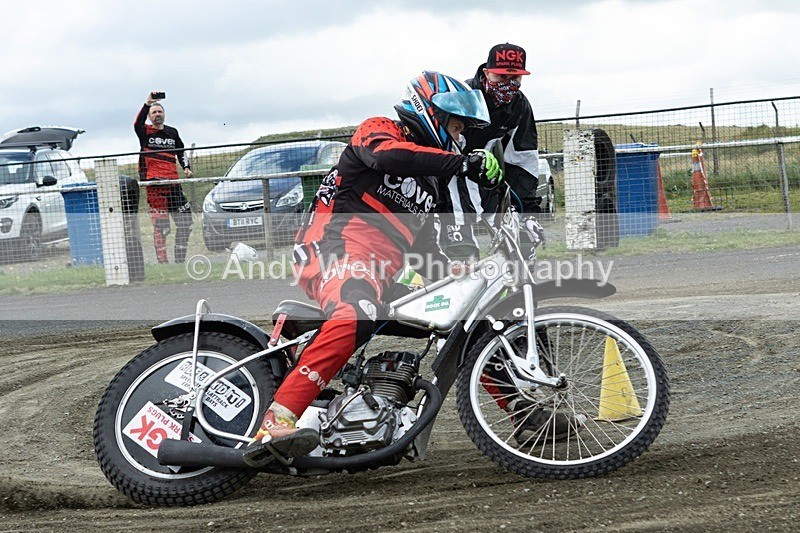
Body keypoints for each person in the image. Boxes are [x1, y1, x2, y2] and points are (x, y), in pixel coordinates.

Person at [247, 72, 502, 460]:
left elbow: (425, 251)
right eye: (456, 124)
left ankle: (526, 412)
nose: (461, 135)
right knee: (358, 313)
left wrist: (454, 275)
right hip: (332, 251)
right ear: (429, 110)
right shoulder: (379, 129)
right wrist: (462, 163)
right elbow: (387, 156)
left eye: (464, 129)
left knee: (465, 311)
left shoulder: (430, 184)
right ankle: (276, 421)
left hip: (380, 273)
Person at [441, 43, 544, 260]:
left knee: (522, 245)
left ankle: (519, 288)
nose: (508, 84)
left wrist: (528, 212)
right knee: (461, 255)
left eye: (515, 78)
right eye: (501, 77)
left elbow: (524, 160)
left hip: (484, 181)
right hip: (444, 181)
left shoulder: (519, 106)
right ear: (486, 72)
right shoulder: (462, 96)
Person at [134, 91, 194, 264]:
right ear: (150, 117)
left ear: (164, 114)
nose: (157, 114)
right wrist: (147, 104)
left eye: (160, 111)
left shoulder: (172, 132)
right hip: (155, 186)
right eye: (154, 112)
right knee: (162, 228)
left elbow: (181, 152)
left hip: (174, 184)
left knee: (186, 223)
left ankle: (180, 262)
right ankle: (163, 263)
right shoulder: (144, 131)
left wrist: (186, 167)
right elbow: (137, 122)